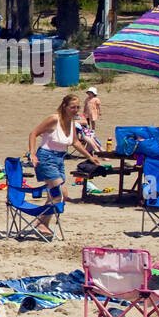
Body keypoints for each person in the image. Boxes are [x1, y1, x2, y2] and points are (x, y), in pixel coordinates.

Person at [27, 93, 97, 234]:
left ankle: (41, 223)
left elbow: (75, 142)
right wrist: (32, 154)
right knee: (58, 193)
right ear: (64, 106)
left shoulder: (71, 122)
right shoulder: (54, 119)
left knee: (60, 195)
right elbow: (33, 133)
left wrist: (90, 156)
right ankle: (41, 224)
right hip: (46, 157)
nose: (75, 110)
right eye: (72, 107)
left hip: (59, 159)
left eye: (77, 107)